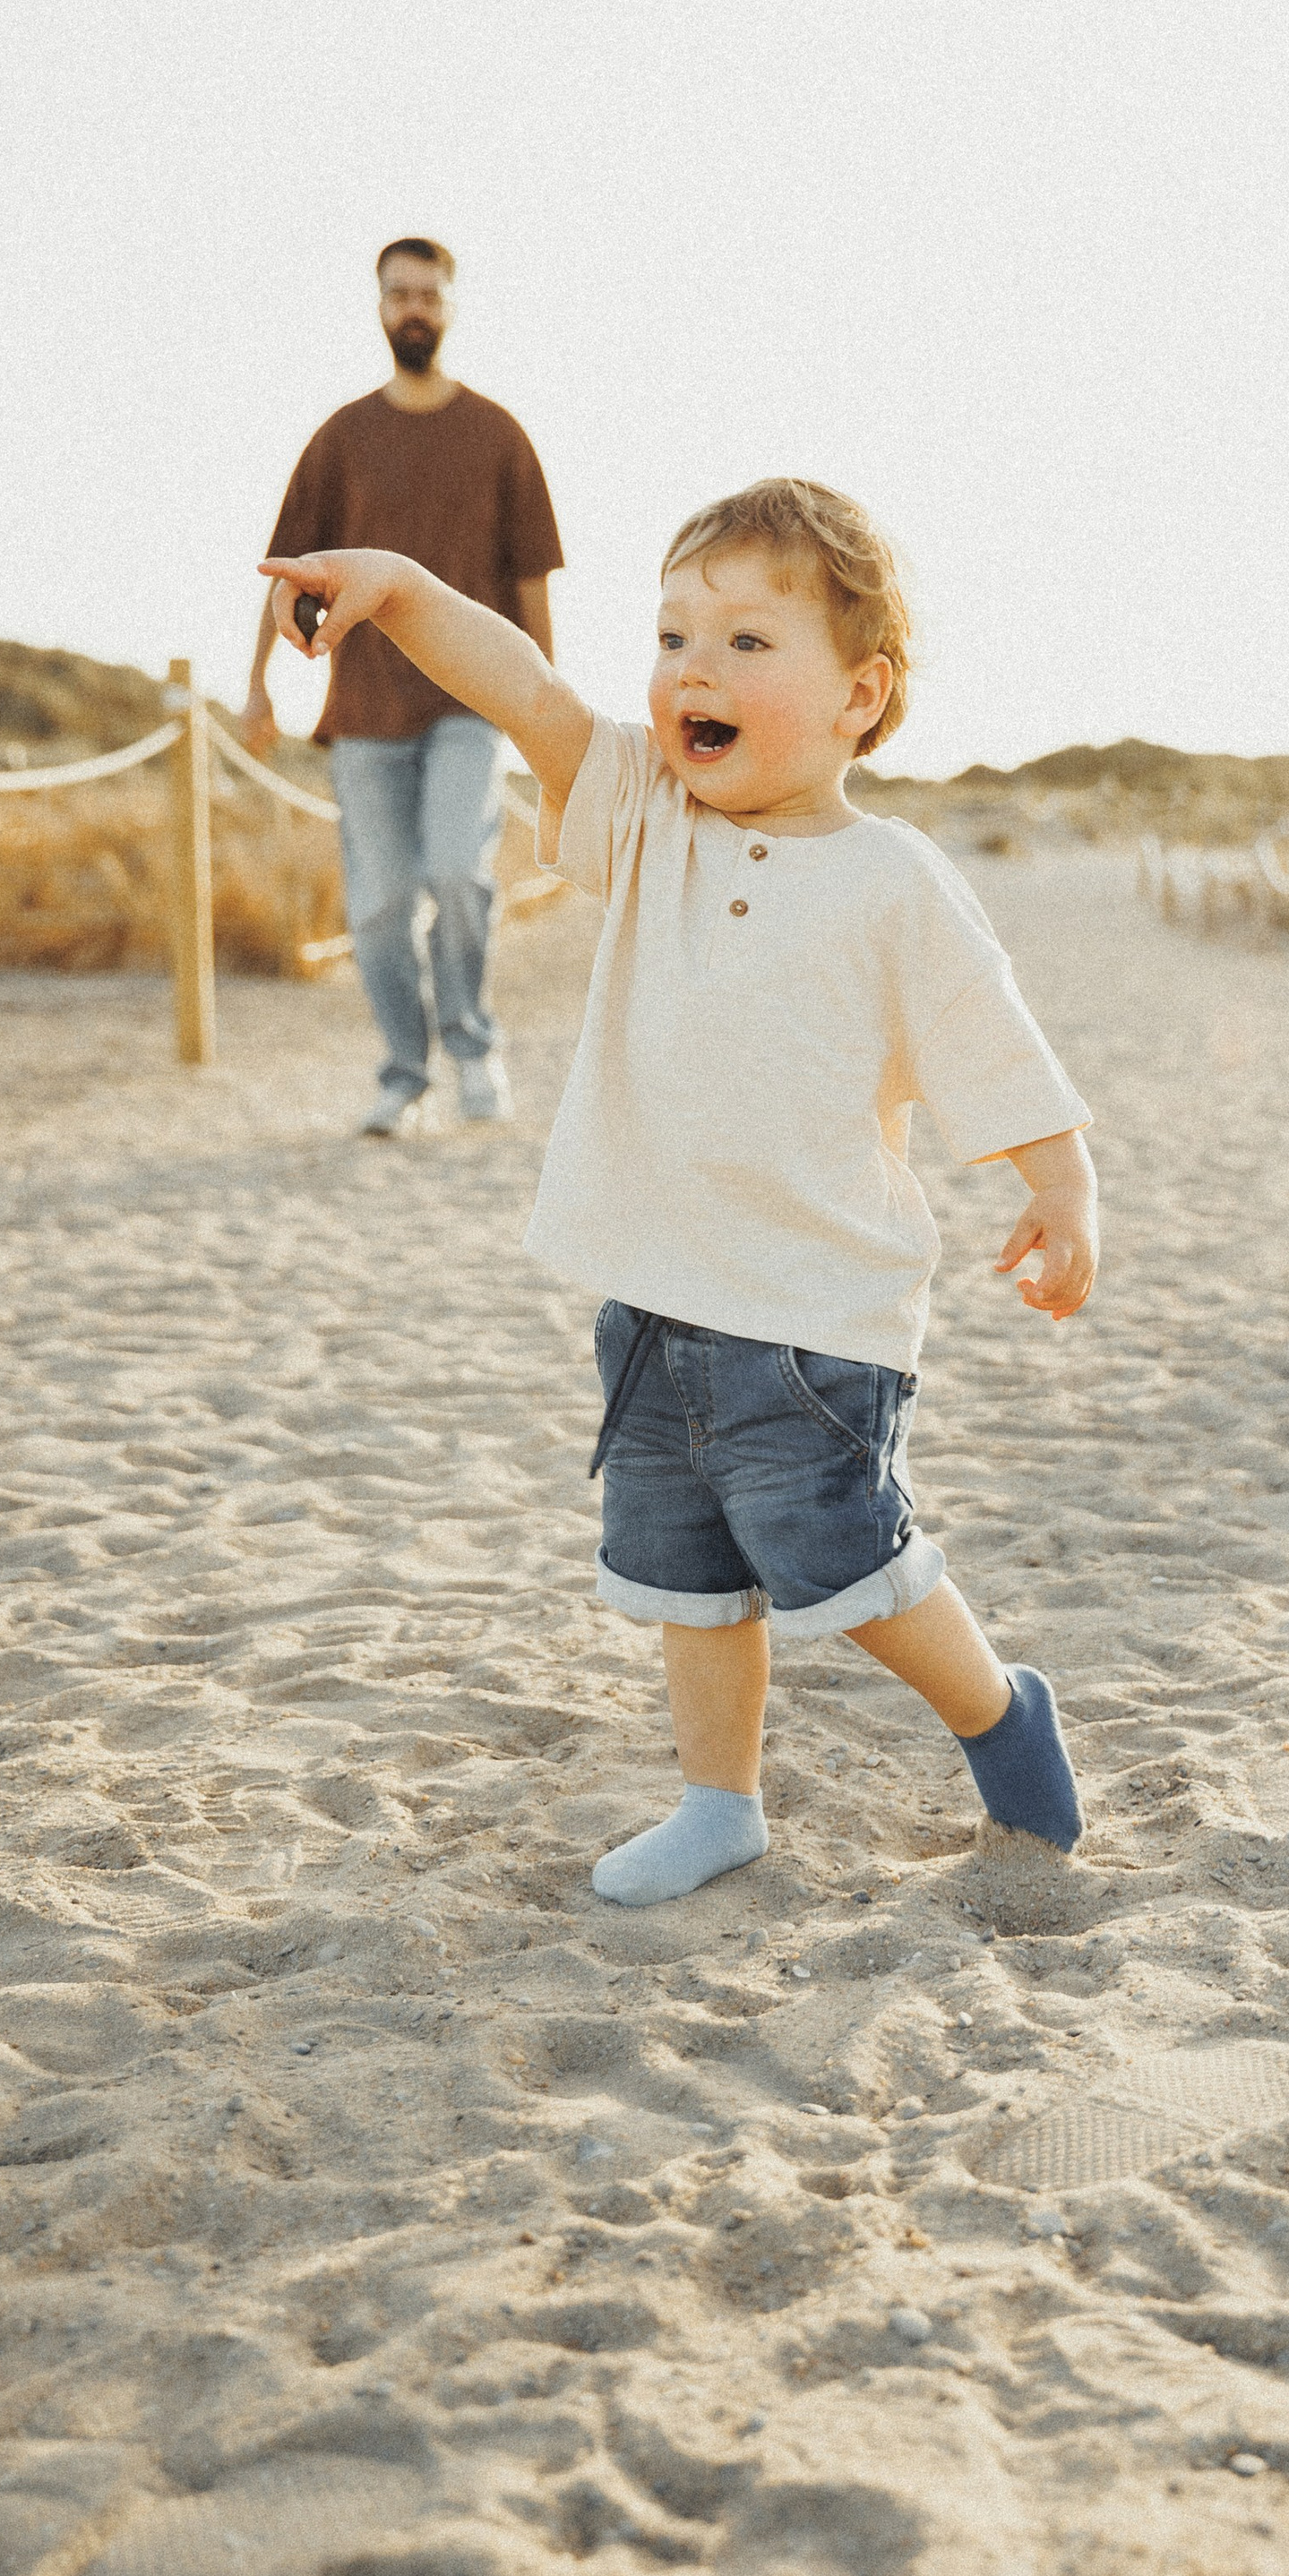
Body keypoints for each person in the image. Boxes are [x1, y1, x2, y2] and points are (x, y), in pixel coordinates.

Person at [256, 477, 1098, 1900]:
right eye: (671, 636)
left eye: (748, 643)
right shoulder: (645, 811)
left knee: (847, 1567)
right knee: (685, 1577)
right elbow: (522, 684)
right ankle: (723, 1801)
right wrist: (398, 584)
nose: (693, 669)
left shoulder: (897, 879)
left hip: (814, 1319)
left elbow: (989, 1045)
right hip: (652, 1301)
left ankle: (998, 1710)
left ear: (860, 693)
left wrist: (1063, 1186)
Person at [244, 238, 563, 1137]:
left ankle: (472, 1049)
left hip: (472, 704)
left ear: (451, 305)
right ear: (379, 306)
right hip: (366, 713)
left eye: (429, 292)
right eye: (398, 293)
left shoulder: (498, 435)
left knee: (457, 873)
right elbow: (284, 574)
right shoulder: (342, 438)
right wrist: (259, 687)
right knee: (379, 903)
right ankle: (403, 1073)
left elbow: (533, 582)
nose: (414, 307)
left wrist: (546, 714)